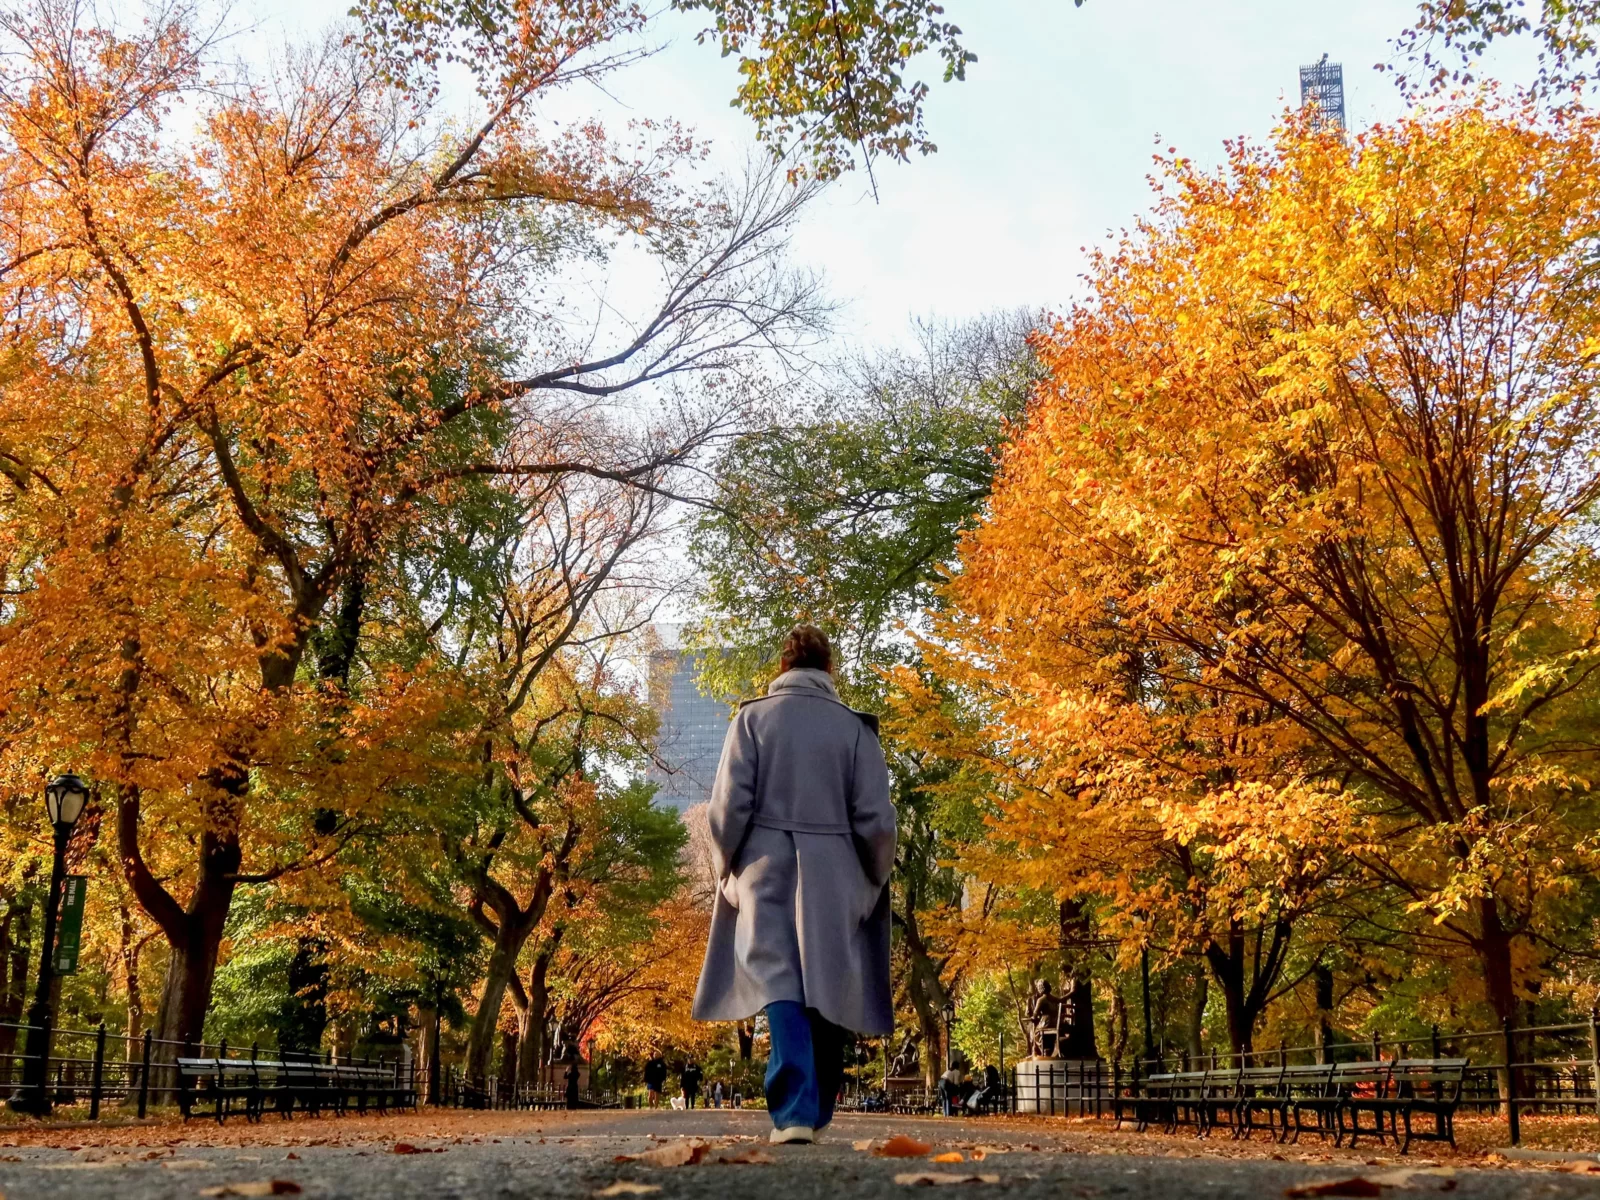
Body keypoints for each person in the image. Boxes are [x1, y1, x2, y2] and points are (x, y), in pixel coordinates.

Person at [692, 625, 896, 1146]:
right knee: (827, 980)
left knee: (779, 979)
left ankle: (795, 1111)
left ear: (782, 668)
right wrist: (874, 876)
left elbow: (727, 809)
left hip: (764, 865)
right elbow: (876, 819)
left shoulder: (751, 719)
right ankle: (815, 1106)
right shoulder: (855, 731)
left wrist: (727, 868)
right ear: (829, 670)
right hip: (837, 869)